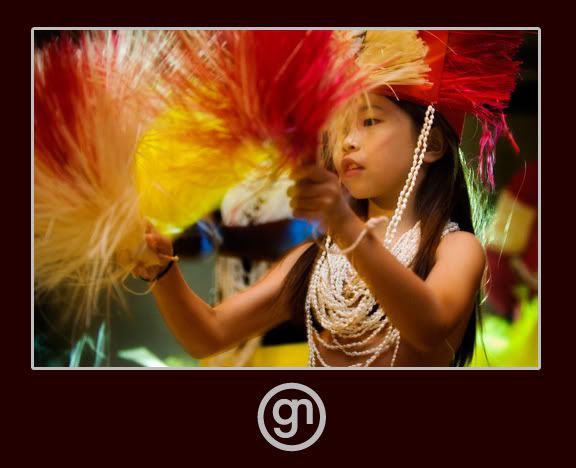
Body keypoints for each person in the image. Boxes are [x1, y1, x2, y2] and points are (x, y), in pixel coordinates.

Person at [133, 30, 523, 367]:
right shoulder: (317, 259)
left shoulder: (455, 248)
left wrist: (343, 224)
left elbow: (428, 325)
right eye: (340, 128)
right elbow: (209, 333)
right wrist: (161, 270)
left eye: (370, 121)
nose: (348, 141)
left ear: (432, 143)